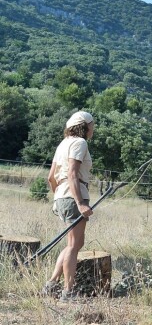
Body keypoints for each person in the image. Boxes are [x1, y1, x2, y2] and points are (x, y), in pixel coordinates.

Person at [42, 111, 95, 301]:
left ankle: (51, 283)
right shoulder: (80, 143)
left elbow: (51, 177)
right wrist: (80, 202)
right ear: (85, 126)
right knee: (74, 245)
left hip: (62, 196)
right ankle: (68, 291)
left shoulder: (63, 144)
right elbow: (73, 174)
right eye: (92, 125)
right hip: (74, 196)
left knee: (74, 243)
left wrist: (58, 196)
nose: (93, 129)